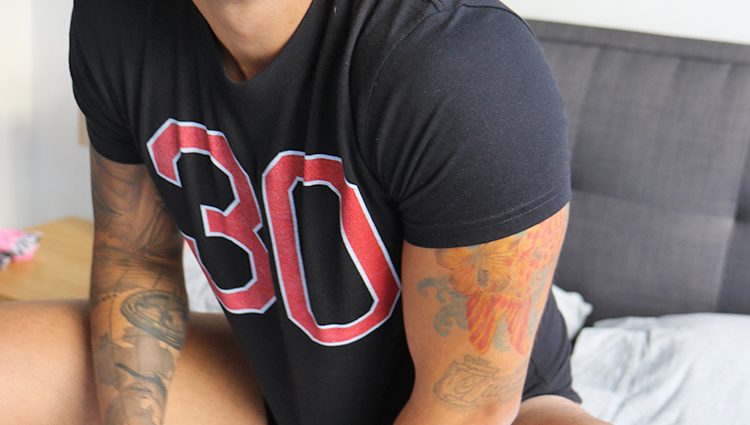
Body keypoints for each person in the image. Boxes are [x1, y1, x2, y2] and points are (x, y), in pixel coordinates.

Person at [0, 0, 609, 424]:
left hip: (497, 409)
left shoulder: (464, 62)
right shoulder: (116, 21)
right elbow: (135, 259)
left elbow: (473, 402)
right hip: (280, 382)